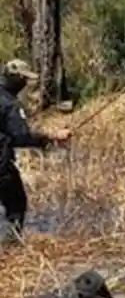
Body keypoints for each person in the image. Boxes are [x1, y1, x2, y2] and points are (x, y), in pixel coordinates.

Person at [0, 60, 70, 244]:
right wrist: (52, 136)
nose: (26, 85)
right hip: (1, 167)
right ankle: (10, 251)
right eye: (25, 80)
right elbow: (21, 136)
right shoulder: (9, 104)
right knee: (16, 205)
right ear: (18, 79)